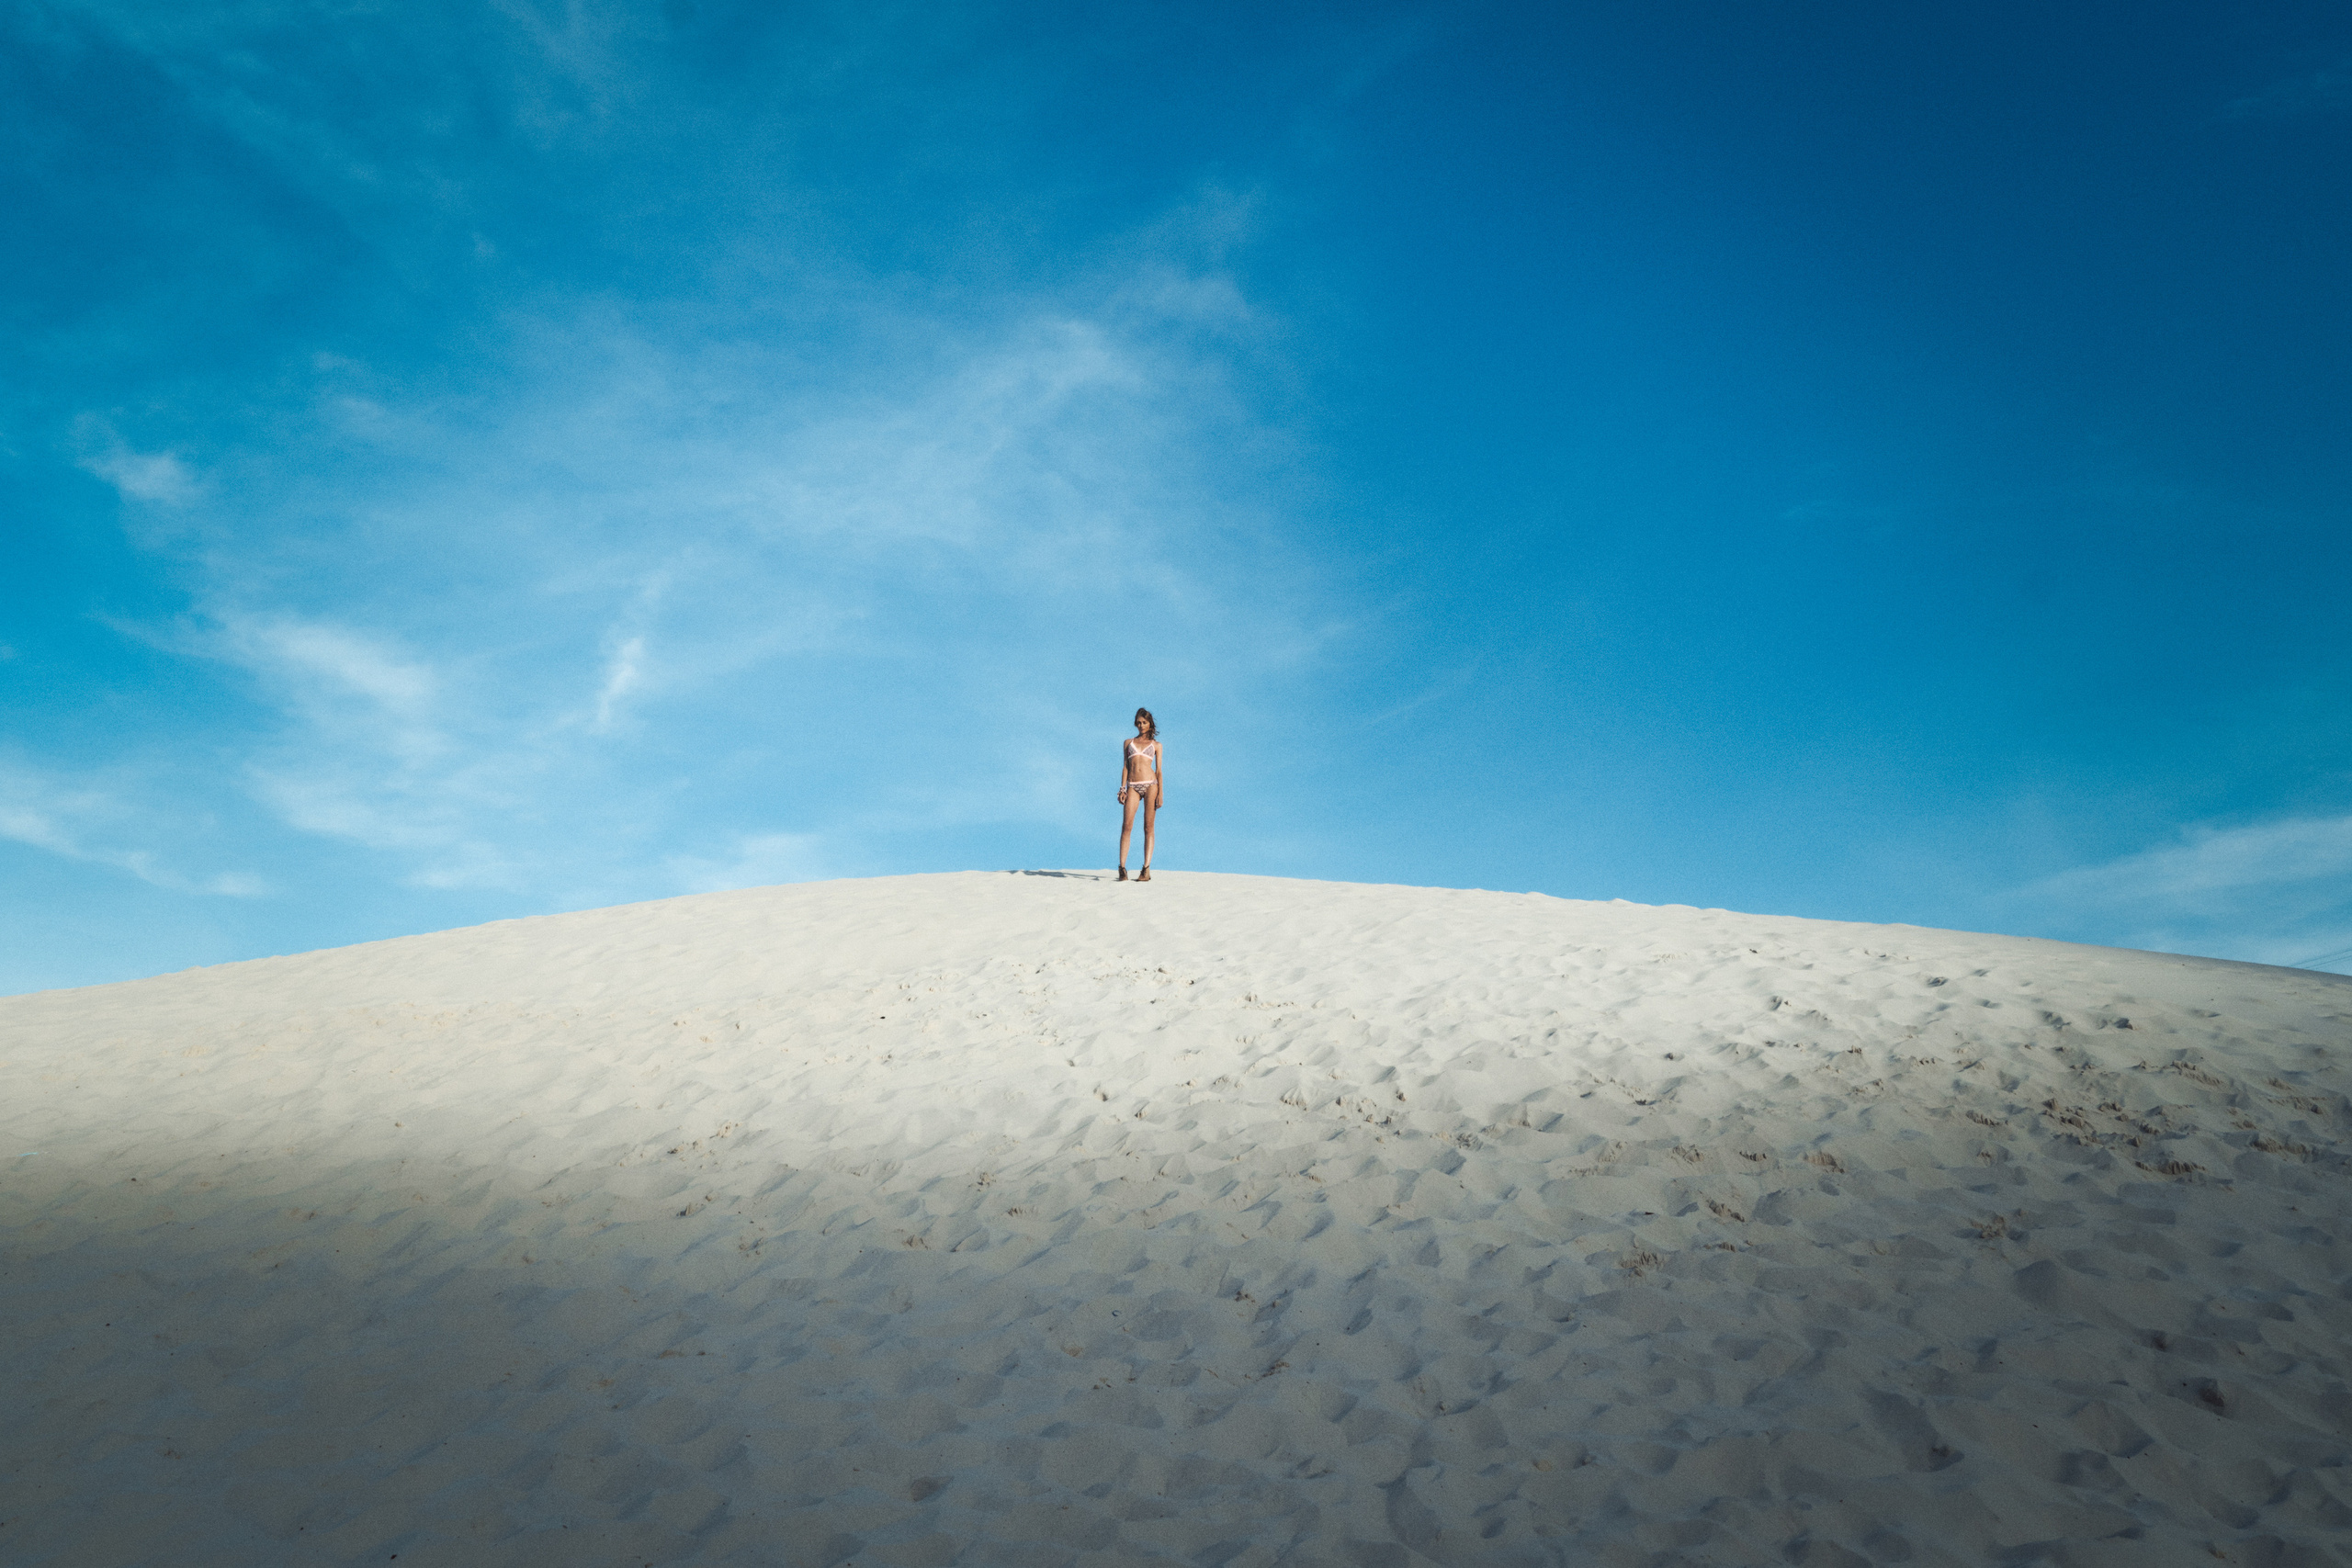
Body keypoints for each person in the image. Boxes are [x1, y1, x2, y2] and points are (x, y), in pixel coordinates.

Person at [1117, 707, 1164, 883]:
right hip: (1133, 786)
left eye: (1144, 722)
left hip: (1151, 784)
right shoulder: (1128, 743)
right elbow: (1125, 767)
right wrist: (1122, 788)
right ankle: (1122, 868)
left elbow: (1159, 771)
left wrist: (1161, 793)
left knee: (1148, 827)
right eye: (1138, 722)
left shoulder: (1156, 745)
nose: (1141, 725)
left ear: (1150, 723)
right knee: (1126, 826)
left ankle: (1146, 868)